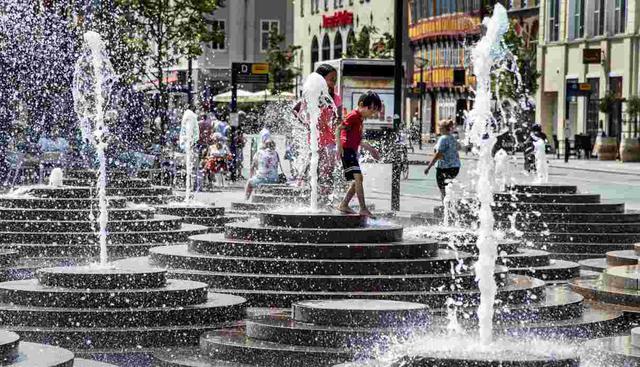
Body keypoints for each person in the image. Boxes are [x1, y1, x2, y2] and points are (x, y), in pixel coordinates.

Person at [293, 64, 343, 201]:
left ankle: (326, 196)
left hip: (331, 139)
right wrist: (306, 124)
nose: (334, 82)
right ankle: (312, 195)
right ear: (320, 79)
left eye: (335, 79)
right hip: (315, 138)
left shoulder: (336, 97)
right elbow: (295, 110)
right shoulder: (311, 96)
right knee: (315, 168)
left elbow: (339, 118)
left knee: (328, 169)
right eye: (331, 79)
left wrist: (339, 128)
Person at [335, 91, 382, 217]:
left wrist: (371, 149)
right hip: (346, 150)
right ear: (361, 104)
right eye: (371, 110)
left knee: (358, 179)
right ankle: (363, 208)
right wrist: (339, 146)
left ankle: (344, 204)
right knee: (358, 178)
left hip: (351, 151)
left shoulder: (360, 119)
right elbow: (338, 129)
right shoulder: (353, 116)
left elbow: (358, 140)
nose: (372, 113)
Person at [424, 120, 461, 200]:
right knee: (447, 188)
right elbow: (459, 147)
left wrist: (428, 167)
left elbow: (438, 154)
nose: (439, 129)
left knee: (443, 191)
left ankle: (446, 208)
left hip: (443, 168)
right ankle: (449, 207)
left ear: (444, 128)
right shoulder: (452, 137)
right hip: (455, 167)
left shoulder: (443, 138)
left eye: (440, 127)